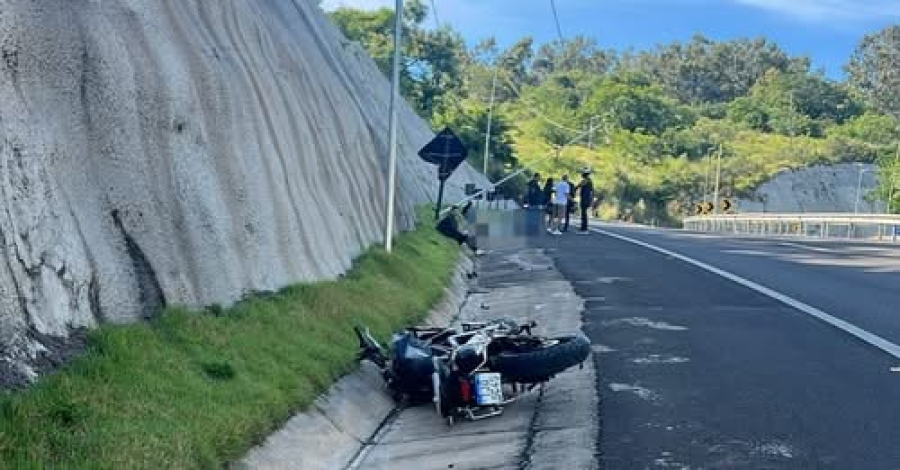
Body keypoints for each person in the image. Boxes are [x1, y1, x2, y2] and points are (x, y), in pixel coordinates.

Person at [575, 170, 595, 234]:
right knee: (583, 213)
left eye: (583, 174)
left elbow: (580, 185)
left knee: (584, 214)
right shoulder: (589, 181)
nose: (582, 175)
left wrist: (575, 188)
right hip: (586, 198)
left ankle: (584, 229)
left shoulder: (587, 180)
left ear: (585, 174)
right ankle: (583, 227)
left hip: (585, 199)